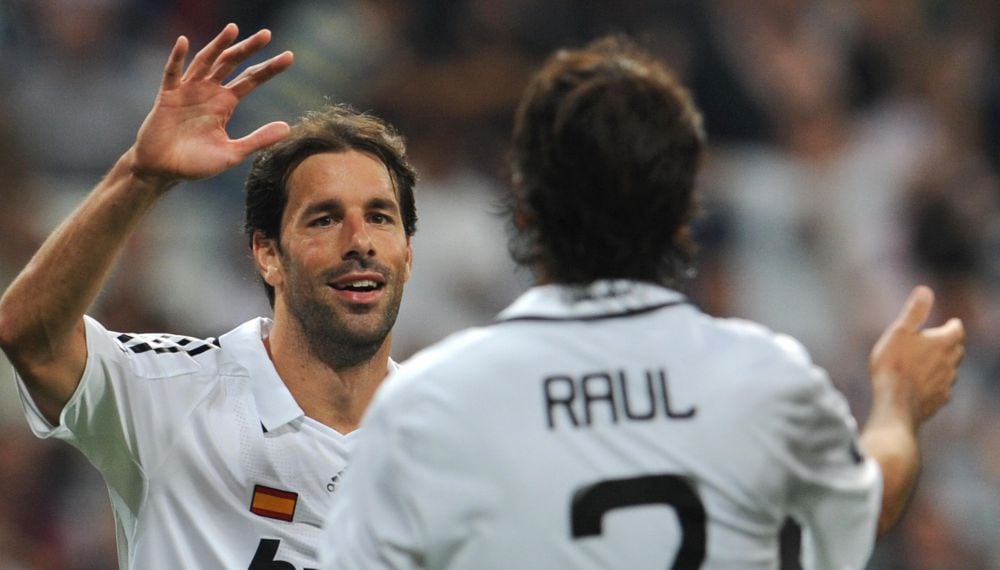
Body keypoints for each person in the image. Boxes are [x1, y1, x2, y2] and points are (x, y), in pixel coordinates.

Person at [320, 36, 965, 569]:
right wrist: (899, 400)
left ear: (523, 206)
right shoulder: (768, 377)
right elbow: (868, 501)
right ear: (686, 211)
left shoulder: (429, 402)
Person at [0, 24, 416, 569]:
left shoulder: (444, 438)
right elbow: (30, 340)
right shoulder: (173, 395)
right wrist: (141, 176)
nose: (359, 242)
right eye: (324, 218)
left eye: (380, 218)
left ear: (408, 252)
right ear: (267, 255)